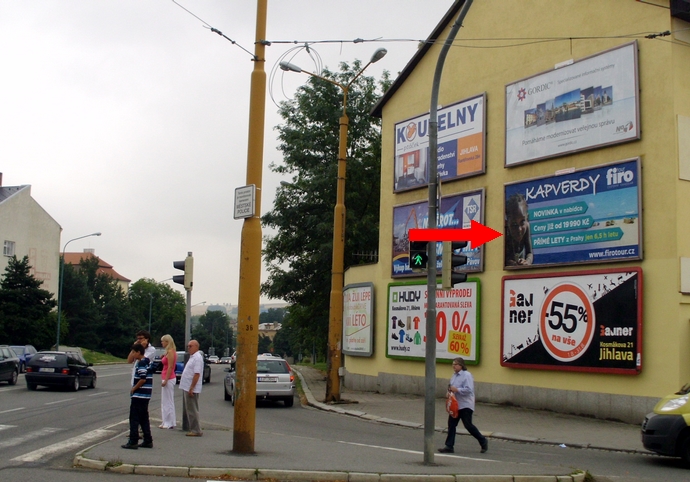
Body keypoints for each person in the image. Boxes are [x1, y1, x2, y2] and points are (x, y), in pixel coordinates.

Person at [439, 357, 488, 454]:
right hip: (455, 404)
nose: (453, 366)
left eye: (455, 364)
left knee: (468, 425)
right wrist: (449, 392)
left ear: (461, 365)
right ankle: (449, 446)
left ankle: (482, 440)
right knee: (451, 424)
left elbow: (469, 389)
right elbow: (451, 387)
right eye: (453, 364)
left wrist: (457, 390)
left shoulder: (467, 375)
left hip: (465, 404)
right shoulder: (454, 376)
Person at [122, 343, 153, 449]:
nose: (133, 354)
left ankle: (133, 440)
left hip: (139, 394)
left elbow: (142, 378)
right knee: (144, 418)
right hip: (146, 395)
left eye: (134, 352)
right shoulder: (148, 361)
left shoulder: (141, 363)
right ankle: (148, 439)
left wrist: (134, 388)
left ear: (139, 352)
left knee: (134, 418)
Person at [179, 339, 203, 436]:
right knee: (190, 408)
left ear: (196, 347)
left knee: (192, 409)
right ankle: (194, 428)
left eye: (191, 346)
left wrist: (192, 387)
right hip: (187, 386)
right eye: (188, 346)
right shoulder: (192, 357)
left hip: (191, 387)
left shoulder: (197, 358)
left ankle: (196, 430)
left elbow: (197, 374)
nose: (188, 348)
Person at [504, 193, 533, 266]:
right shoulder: (504, 233)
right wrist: (513, 264)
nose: (519, 229)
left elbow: (529, 252)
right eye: (514, 225)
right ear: (507, 222)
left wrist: (527, 262)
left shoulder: (527, 226)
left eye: (522, 222)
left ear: (527, 219)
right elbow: (503, 259)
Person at [159, 334, 177, 429]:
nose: (162, 343)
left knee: (168, 401)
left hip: (169, 378)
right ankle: (166, 420)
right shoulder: (168, 352)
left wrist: (166, 379)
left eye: (163, 341)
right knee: (165, 401)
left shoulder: (170, 352)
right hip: (166, 376)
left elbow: (170, 366)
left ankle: (169, 422)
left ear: (167, 342)